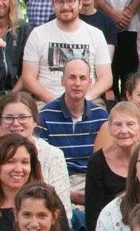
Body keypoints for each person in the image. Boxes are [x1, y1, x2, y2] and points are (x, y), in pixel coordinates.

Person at [0, 92, 70, 206]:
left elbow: (61, 209)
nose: (16, 123)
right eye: (9, 118)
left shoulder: (53, 155)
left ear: (35, 121)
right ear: (1, 121)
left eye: (23, 117)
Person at [22, 0, 112, 102]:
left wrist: (86, 99)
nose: (65, 7)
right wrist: (54, 101)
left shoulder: (96, 34)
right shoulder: (38, 34)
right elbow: (28, 78)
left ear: (80, 3)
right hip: (46, 102)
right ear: (53, 5)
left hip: (88, 101)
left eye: (70, 1)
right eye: (59, 2)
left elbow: (106, 78)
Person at [37, 58, 109, 203]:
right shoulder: (45, 115)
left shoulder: (101, 116)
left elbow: (107, 160)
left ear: (90, 83)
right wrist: (66, 193)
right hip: (58, 182)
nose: (77, 83)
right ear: (62, 81)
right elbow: (42, 162)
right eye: (72, 77)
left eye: (82, 78)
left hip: (93, 180)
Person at [87, 103, 140, 231]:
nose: (123, 130)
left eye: (130, 124)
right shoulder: (97, 162)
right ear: (109, 128)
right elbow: (93, 214)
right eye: (117, 124)